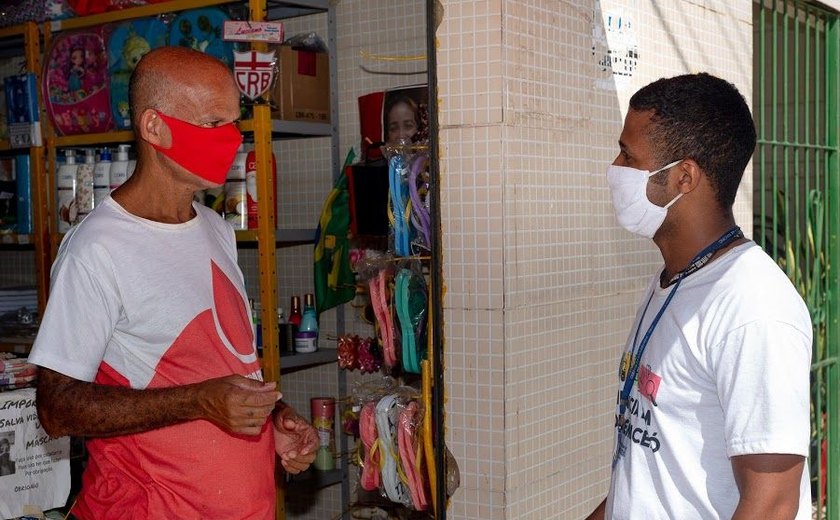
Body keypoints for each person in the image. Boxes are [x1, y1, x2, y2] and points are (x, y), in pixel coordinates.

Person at [29, 47, 318, 519]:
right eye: (211, 124)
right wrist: (199, 401)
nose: (230, 140)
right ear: (154, 126)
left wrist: (274, 420)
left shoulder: (216, 229)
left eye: (234, 124)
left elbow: (221, 362)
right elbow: (57, 408)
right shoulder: (98, 248)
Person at [587, 73, 812, 519]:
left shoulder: (752, 306)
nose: (615, 167)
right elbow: (652, 474)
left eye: (629, 155)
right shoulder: (675, 280)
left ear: (683, 177)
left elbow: (772, 504)